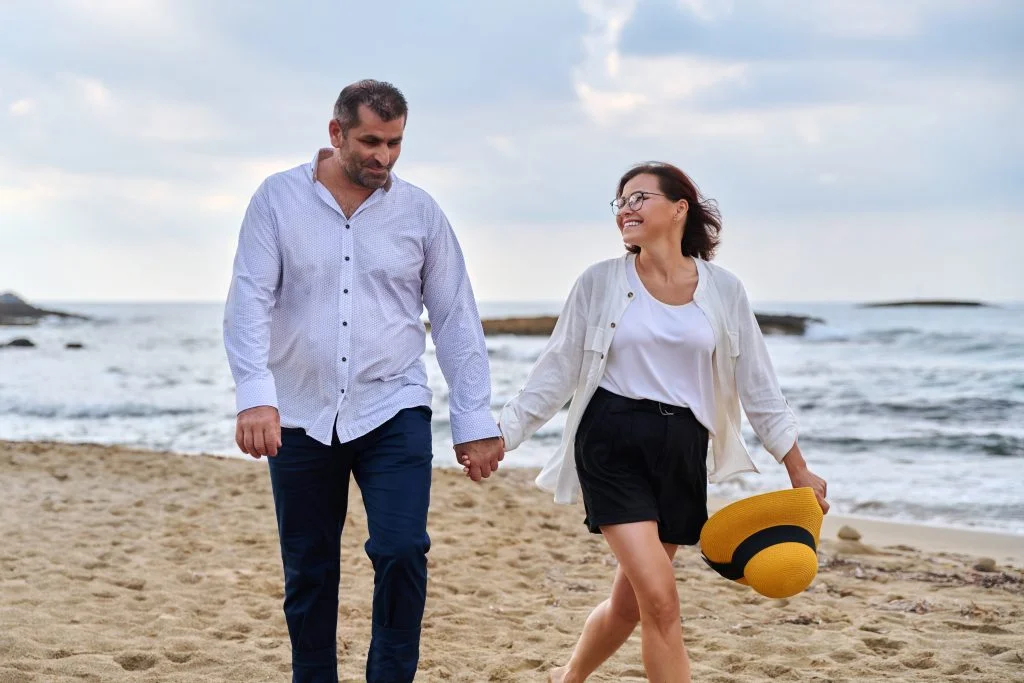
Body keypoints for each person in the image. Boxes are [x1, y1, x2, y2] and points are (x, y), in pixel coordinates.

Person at [485, 162, 829, 682]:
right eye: (620, 200)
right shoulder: (601, 281)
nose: (627, 208)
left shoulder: (724, 290)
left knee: (630, 604)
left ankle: (567, 678)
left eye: (640, 197)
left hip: (682, 451)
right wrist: (502, 435)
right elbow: (556, 369)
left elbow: (759, 385)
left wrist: (797, 468)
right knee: (662, 601)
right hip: (612, 442)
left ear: (679, 209)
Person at [224, 79, 504, 683]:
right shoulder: (277, 200)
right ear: (336, 133)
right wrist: (255, 397)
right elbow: (248, 300)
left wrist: (476, 420)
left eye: (395, 143)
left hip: (392, 406)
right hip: (298, 412)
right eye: (370, 141)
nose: (383, 156)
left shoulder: (421, 212)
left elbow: (456, 316)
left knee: (403, 550)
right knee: (308, 568)